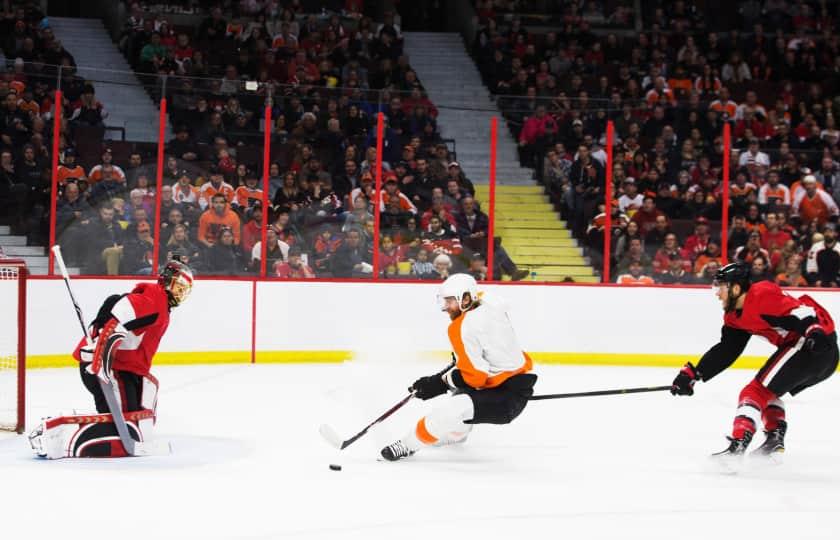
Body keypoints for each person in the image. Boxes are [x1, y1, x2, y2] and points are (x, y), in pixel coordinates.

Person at [670, 262, 838, 461]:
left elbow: (802, 312)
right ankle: (774, 440)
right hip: (820, 355)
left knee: (753, 393)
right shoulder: (734, 316)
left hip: (813, 346)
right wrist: (695, 374)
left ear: (736, 288)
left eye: (720, 287)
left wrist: (814, 333)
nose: (717, 294)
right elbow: (727, 350)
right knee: (765, 394)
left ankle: (738, 446)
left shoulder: (761, 295)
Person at [29, 260, 194, 458]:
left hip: (122, 369)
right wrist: (100, 363)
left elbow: (115, 303)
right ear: (166, 281)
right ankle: (57, 437)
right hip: (108, 369)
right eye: (178, 287)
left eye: (184, 291)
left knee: (134, 421)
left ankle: (68, 430)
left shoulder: (159, 304)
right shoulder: (155, 299)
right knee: (125, 427)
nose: (180, 294)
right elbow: (117, 320)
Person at [381, 274, 537, 461]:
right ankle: (457, 435)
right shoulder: (489, 303)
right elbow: (469, 363)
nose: (446, 308)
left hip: (507, 399)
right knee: (462, 389)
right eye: (444, 301)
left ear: (466, 298)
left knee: (456, 405)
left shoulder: (461, 327)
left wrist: (438, 384)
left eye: (450, 302)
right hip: (516, 380)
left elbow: (475, 376)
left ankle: (407, 445)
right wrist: (440, 379)